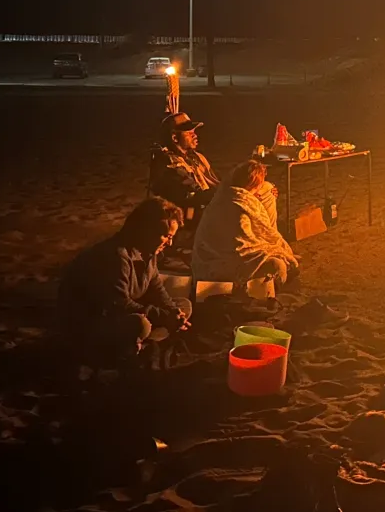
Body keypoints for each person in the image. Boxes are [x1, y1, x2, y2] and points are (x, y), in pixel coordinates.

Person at [58, 197, 192, 365]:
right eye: (166, 236)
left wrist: (173, 312)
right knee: (141, 324)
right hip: (91, 320)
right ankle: (135, 343)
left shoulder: (148, 252)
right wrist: (162, 316)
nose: (170, 243)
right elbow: (118, 303)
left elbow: (156, 289)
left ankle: (140, 341)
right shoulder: (117, 255)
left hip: (126, 310)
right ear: (147, 230)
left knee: (183, 306)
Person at [192, 160, 297, 296]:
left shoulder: (224, 195)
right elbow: (244, 247)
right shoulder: (241, 204)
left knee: (269, 191)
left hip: (212, 260)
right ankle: (251, 293)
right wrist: (277, 252)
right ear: (256, 184)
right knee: (278, 267)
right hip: (220, 265)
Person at [149, 112, 221, 218]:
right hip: (186, 219)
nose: (195, 135)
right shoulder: (167, 164)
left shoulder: (195, 157)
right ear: (174, 138)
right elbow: (191, 194)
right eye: (189, 133)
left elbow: (215, 180)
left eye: (194, 131)